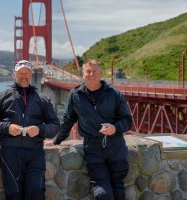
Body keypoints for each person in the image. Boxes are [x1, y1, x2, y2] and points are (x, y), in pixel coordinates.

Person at [44, 59, 132, 200]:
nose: (91, 74)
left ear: (100, 73)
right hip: (93, 147)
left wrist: (114, 128)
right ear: (82, 74)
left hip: (116, 145)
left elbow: (127, 121)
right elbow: (68, 120)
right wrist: (57, 140)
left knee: (118, 187)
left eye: (94, 71)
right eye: (88, 71)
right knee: (102, 192)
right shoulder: (75, 94)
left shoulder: (115, 94)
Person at [0, 60, 60, 200]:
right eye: (21, 73)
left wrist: (40, 129)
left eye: (27, 73)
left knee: (36, 194)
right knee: (14, 195)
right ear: (14, 75)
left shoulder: (43, 99)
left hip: (35, 154)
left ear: (31, 75)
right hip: (10, 154)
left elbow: (55, 126)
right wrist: (7, 128)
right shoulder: (0, 97)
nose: (24, 76)